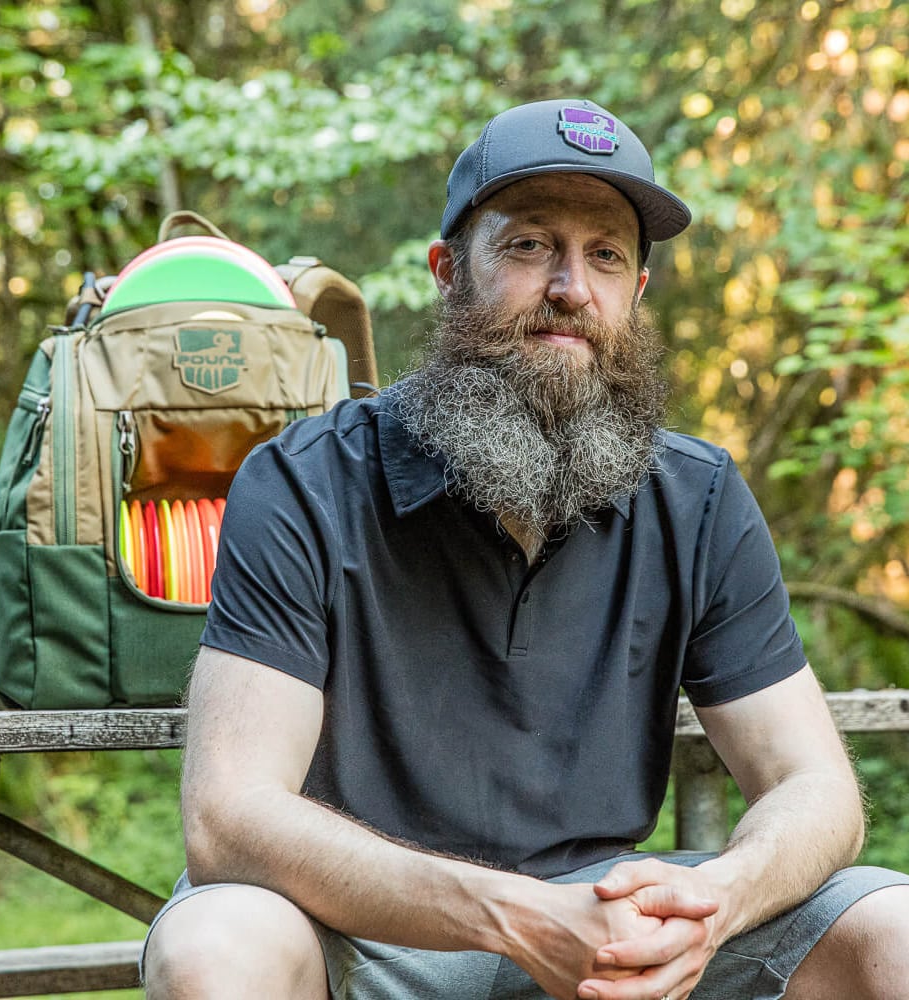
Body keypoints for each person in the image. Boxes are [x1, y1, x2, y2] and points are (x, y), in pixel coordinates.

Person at [142, 98, 909, 1000]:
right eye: (529, 245)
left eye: (606, 255)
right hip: (359, 928)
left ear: (635, 293)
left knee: (893, 930)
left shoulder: (698, 499)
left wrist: (716, 899)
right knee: (216, 945)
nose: (570, 287)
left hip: (606, 923)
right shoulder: (303, 483)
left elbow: (811, 784)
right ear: (447, 271)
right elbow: (229, 819)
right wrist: (511, 913)